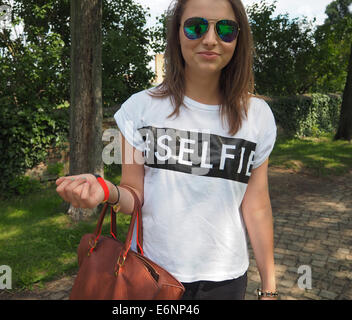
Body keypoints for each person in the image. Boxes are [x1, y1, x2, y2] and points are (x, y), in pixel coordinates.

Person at [56, 0, 278, 300]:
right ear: (177, 34)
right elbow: (133, 195)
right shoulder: (140, 109)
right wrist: (106, 192)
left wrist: (270, 289)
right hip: (150, 274)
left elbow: (257, 207)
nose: (210, 39)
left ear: (239, 39)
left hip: (225, 281)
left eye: (226, 29)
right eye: (196, 26)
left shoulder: (257, 116)